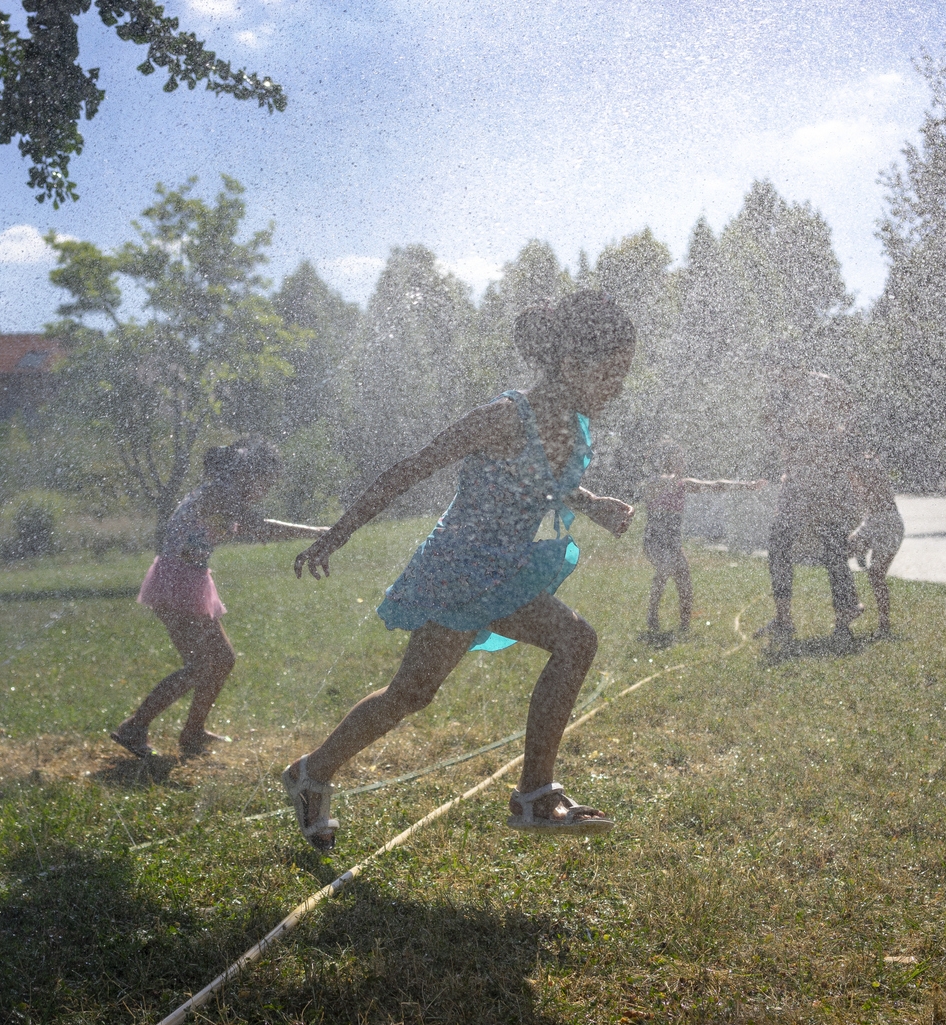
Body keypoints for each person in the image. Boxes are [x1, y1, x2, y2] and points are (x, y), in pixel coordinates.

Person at [282, 291, 637, 851]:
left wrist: (593, 503)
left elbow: (551, 481)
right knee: (415, 692)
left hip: (506, 567)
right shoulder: (503, 418)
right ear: (569, 366)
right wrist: (337, 533)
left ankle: (316, 773)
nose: (618, 387)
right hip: (460, 570)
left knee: (553, 648)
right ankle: (316, 773)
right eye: (611, 373)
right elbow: (412, 468)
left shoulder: (573, 423)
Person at [110, 438, 327, 761]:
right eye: (266, 482)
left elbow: (253, 529)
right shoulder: (219, 493)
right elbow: (260, 528)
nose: (265, 491)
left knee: (221, 660)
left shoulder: (223, 491)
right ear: (250, 473)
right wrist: (316, 531)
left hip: (190, 577)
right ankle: (134, 726)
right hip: (177, 581)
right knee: (199, 665)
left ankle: (193, 731)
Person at [759, 372, 862, 648]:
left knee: (833, 549)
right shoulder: (781, 396)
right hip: (797, 483)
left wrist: (838, 434)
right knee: (779, 545)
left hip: (823, 483)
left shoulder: (822, 383)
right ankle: (783, 618)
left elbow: (850, 406)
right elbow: (774, 430)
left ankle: (844, 617)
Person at [639, 439, 767, 633]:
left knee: (684, 581)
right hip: (654, 541)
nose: (683, 461)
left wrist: (747, 486)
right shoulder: (654, 483)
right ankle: (652, 616)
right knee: (665, 567)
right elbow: (651, 493)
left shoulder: (683, 484)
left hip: (673, 543)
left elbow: (716, 485)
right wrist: (667, 480)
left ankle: (684, 626)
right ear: (668, 460)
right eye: (679, 458)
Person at [847, 452, 904, 635]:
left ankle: (884, 625)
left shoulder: (875, 481)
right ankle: (852, 602)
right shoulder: (864, 478)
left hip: (889, 525)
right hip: (872, 523)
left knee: (876, 575)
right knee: (839, 554)